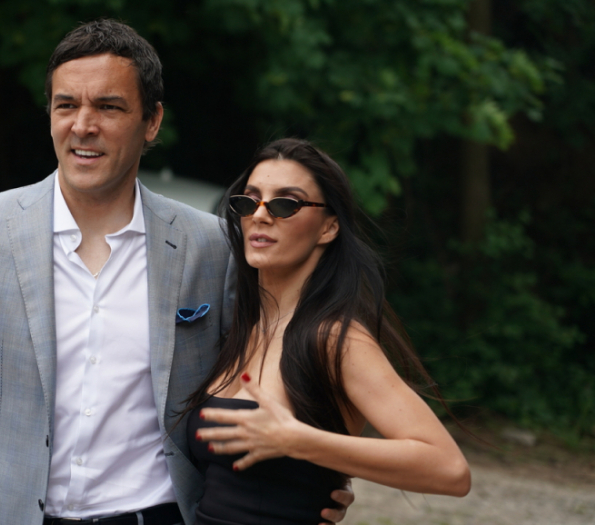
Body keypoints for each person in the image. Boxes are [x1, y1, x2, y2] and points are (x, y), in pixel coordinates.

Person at [0, 21, 353, 525]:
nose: (83, 125)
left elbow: (258, 387)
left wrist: (309, 481)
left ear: (152, 121)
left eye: (108, 106)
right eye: (66, 105)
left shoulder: (212, 247)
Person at [188, 138, 471, 524]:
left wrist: (300, 442)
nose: (261, 215)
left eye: (286, 203)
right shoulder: (244, 328)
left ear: (328, 227)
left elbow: (450, 469)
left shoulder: (334, 339)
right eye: (249, 201)